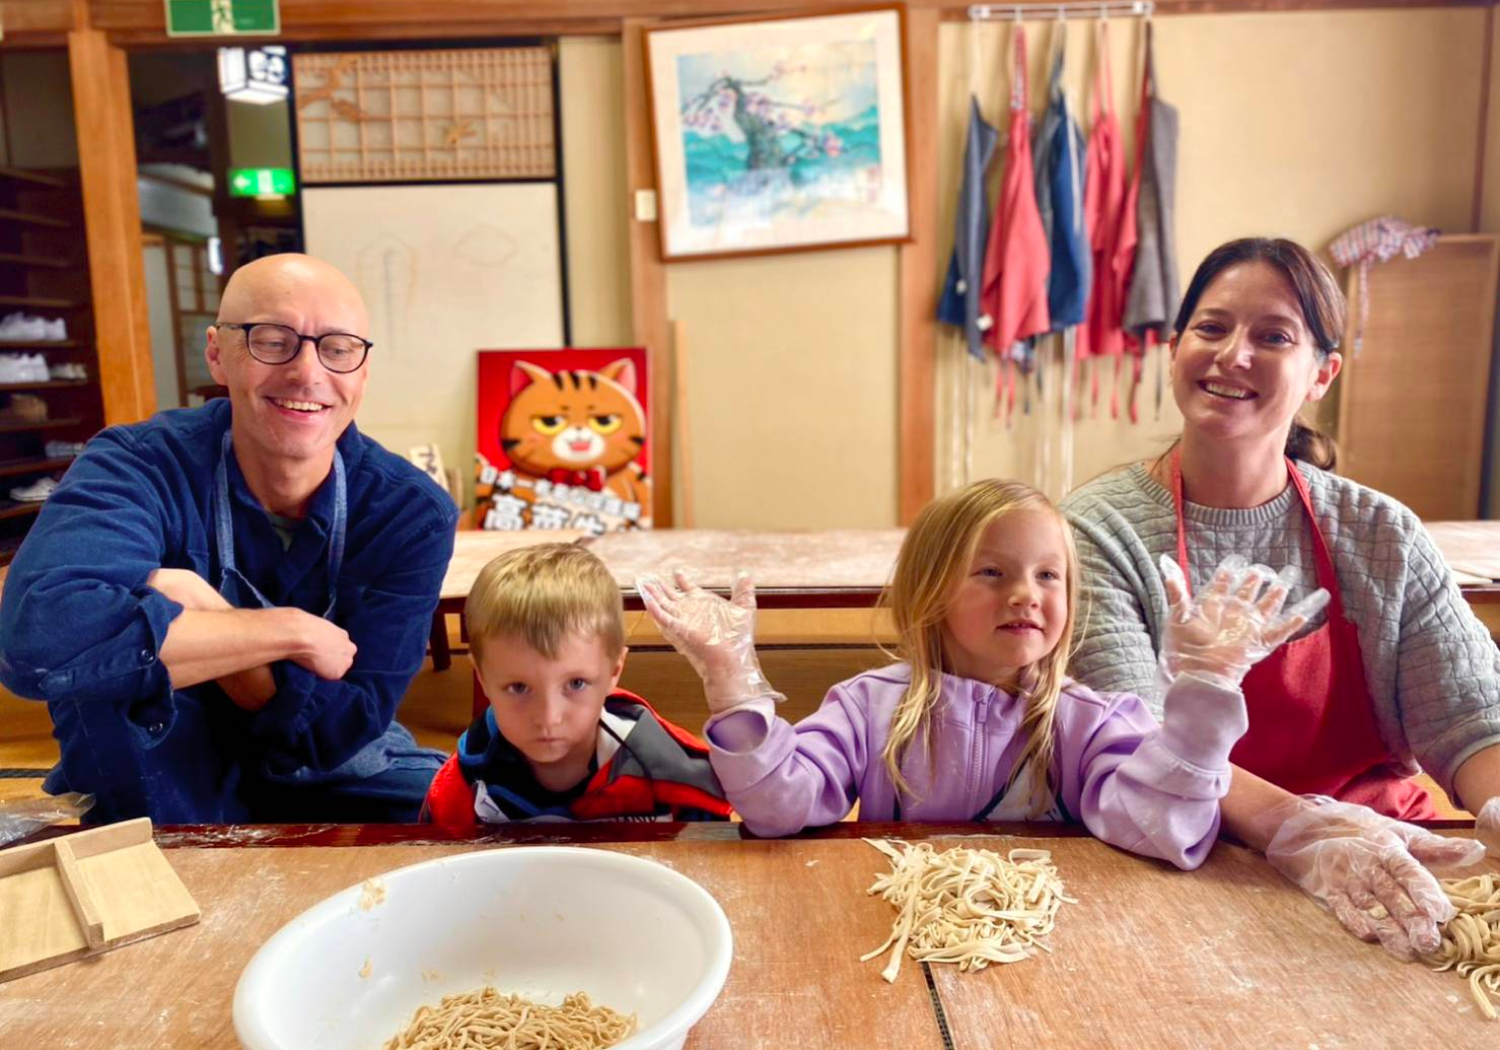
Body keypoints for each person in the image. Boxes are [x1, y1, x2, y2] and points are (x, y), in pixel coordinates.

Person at [1061, 237, 1497, 953]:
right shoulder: (1099, 530)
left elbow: (1472, 717)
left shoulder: (1380, 533)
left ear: (1322, 374)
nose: (1234, 355)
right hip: (1187, 857)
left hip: (1390, 860)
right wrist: (1302, 830)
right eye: (1211, 327)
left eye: (1273, 336)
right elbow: (1129, 740)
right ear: (1174, 349)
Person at [639, 479, 1317, 871]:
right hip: (898, 942)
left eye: (1048, 575)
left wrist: (1202, 702)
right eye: (992, 572)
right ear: (929, 592)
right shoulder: (866, 710)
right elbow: (778, 809)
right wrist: (734, 680)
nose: (1026, 593)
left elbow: (1156, 828)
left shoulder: (1093, 723)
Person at [0, 254, 458, 824]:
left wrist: (206, 620)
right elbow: (38, 640)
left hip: (328, 767)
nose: (307, 373)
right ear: (217, 353)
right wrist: (289, 633)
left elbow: (344, 728)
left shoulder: (410, 511)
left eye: (337, 348)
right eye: (272, 340)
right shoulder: (138, 464)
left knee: (468, 819)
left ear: (361, 372)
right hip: (166, 761)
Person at [422, 543, 730, 827]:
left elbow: (716, 851)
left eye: (576, 683)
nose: (548, 717)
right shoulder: (464, 781)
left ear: (613, 672)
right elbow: (435, 859)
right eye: (518, 687)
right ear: (482, 677)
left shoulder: (668, 766)